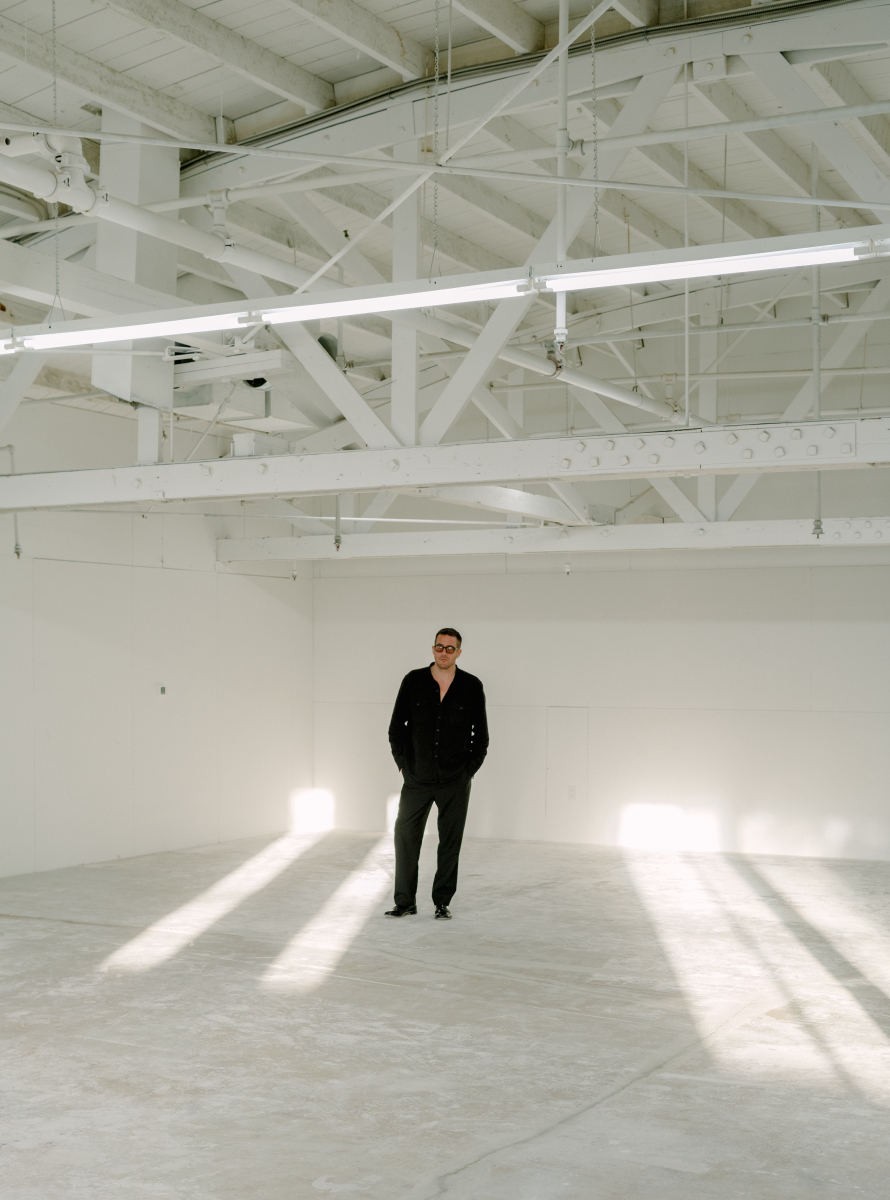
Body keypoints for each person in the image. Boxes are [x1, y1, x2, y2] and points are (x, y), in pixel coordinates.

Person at [386, 628, 488, 920]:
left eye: (450, 649)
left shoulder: (471, 686)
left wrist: (467, 772)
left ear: (459, 652)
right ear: (433, 649)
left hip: (455, 780)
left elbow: (480, 738)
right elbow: (396, 729)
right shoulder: (413, 681)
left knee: (450, 842)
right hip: (416, 778)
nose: (444, 653)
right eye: (439, 647)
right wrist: (404, 767)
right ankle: (405, 902)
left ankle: (442, 902)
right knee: (405, 837)